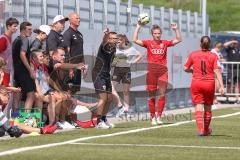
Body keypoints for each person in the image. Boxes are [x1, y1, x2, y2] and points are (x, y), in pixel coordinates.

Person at [133, 23, 182, 125]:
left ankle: (159, 116)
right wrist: (138, 27)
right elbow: (135, 40)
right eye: (155, 33)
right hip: (151, 72)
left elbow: (178, 39)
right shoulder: (148, 43)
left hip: (162, 72)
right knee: (151, 95)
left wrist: (176, 29)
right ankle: (152, 118)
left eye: (159, 33)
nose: (157, 35)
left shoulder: (165, 43)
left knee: (162, 95)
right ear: (152, 34)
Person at [184, 36, 224, 136]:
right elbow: (217, 71)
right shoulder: (213, 56)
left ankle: (201, 130)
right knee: (207, 107)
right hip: (209, 84)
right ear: (210, 44)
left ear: (200, 43)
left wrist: (192, 70)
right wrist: (221, 86)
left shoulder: (193, 54)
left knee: (198, 106)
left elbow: (185, 68)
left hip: (196, 83)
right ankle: (206, 130)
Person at [111, 34, 142, 117]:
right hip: (117, 71)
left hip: (126, 71)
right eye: (117, 40)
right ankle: (120, 106)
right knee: (111, 88)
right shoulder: (116, 48)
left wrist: (133, 62)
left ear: (124, 41)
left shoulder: (130, 49)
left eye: (119, 41)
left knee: (126, 91)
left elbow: (140, 55)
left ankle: (126, 109)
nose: (117, 42)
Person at [92, 31, 118, 129]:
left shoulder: (114, 48)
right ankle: (98, 122)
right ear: (109, 39)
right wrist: (106, 35)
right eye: (113, 38)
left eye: (116, 38)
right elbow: (103, 41)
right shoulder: (104, 46)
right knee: (103, 98)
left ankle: (103, 118)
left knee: (109, 99)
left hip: (106, 74)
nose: (115, 40)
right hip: (98, 74)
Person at [12, 21, 36, 112]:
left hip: (16, 72)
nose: (31, 31)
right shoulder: (24, 39)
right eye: (29, 29)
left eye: (31, 29)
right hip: (23, 71)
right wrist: (30, 70)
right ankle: (26, 121)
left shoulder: (16, 40)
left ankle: (15, 121)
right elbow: (22, 54)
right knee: (31, 93)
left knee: (17, 94)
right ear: (22, 30)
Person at [0, 17, 19, 87]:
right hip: (2, 72)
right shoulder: (3, 39)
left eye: (17, 26)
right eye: (14, 26)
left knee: (5, 94)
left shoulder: (9, 38)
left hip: (7, 71)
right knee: (3, 94)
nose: (16, 28)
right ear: (8, 26)